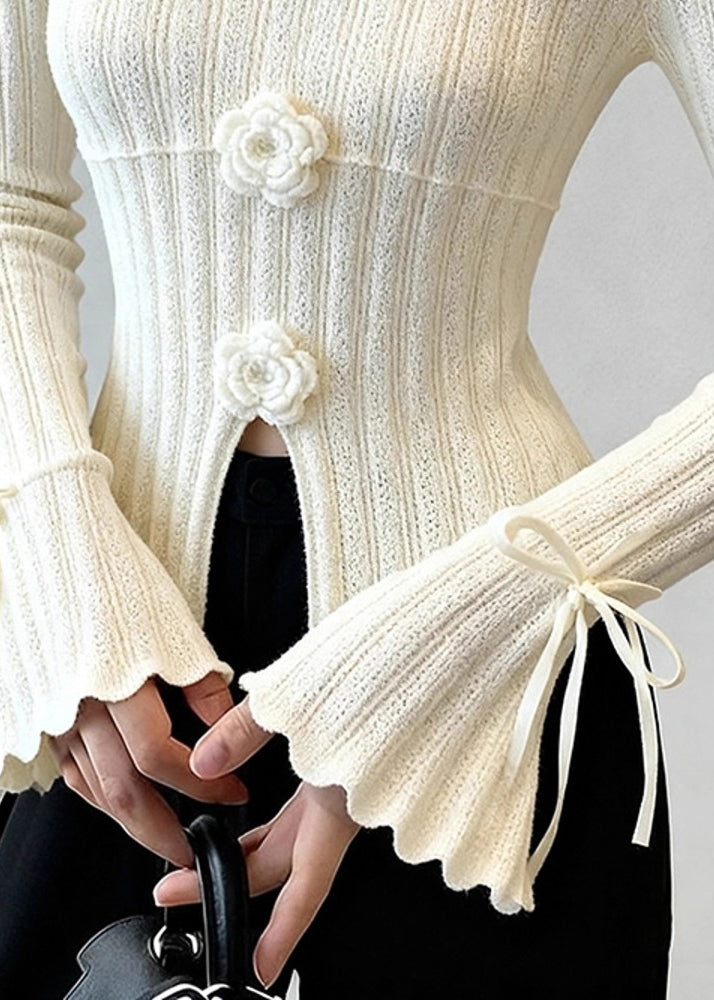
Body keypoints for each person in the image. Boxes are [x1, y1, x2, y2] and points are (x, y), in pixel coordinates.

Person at [0, 2, 712, 997]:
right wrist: (57, 554)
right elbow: (12, 209)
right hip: (106, 662)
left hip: (490, 682)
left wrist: (475, 625)